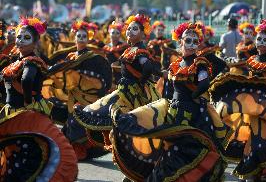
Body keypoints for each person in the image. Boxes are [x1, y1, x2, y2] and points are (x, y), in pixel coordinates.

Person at [87, 22, 228, 181]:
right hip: (172, 108)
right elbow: (166, 81)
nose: (192, 45)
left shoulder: (199, 64)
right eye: (188, 41)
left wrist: (193, 96)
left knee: (182, 149)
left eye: (195, 42)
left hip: (191, 114)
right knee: (155, 135)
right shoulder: (177, 64)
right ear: (180, 41)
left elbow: (204, 83)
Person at [0, 17, 77, 182]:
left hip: (21, 114)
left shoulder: (31, 62)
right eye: (19, 37)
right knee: (16, 147)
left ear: (35, 44)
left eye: (26, 38)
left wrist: (27, 101)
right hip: (13, 111)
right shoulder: (18, 61)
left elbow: (27, 81)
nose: (20, 40)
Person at [72, 14, 161, 152]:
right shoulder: (132, 48)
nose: (130, 31)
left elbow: (148, 67)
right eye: (129, 28)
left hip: (131, 93)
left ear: (143, 34)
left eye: (135, 29)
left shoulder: (139, 50)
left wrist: (140, 82)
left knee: (122, 120)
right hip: (125, 89)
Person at [210, 19, 266, 182]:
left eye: (265, 40)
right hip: (253, 111)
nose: (261, 42)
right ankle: (252, 171)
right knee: (252, 139)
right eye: (259, 39)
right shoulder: (253, 60)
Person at [48, 20, 113, 160]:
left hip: (88, 97)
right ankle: (75, 150)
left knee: (80, 121)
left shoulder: (94, 58)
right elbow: (64, 75)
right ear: (74, 38)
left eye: (84, 36)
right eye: (79, 36)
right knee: (72, 120)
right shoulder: (71, 57)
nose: (81, 39)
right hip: (73, 96)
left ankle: (83, 150)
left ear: (88, 38)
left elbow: (102, 79)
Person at [103, 21, 128, 86]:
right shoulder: (106, 47)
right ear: (109, 33)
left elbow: (126, 60)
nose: (114, 35)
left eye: (117, 33)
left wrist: (118, 62)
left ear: (120, 35)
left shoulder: (124, 47)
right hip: (108, 73)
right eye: (113, 33)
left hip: (120, 73)